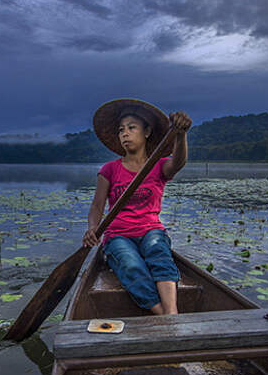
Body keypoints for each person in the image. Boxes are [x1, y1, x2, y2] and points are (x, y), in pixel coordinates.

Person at [82, 98, 192, 315]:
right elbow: (97, 206)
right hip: (118, 235)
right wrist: (92, 227)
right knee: (131, 266)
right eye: (121, 129)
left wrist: (181, 134)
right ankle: (165, 318)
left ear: (147, 132)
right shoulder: (109, 169)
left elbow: (178, 162)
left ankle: (172, 313)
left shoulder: (159, 165)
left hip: (151, 231)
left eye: (132, 128)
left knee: (158, 252)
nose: (125, 133)